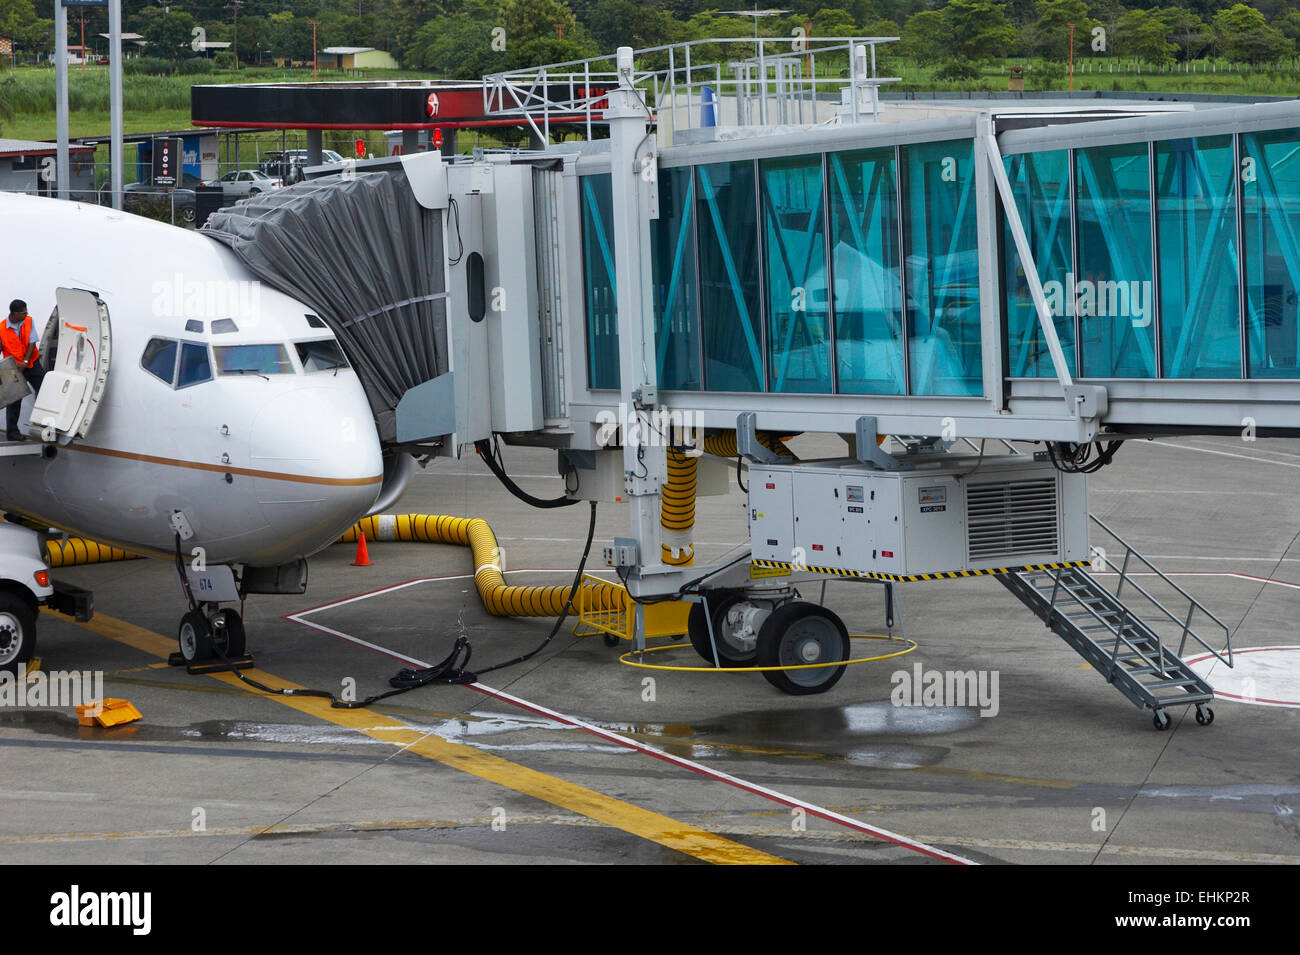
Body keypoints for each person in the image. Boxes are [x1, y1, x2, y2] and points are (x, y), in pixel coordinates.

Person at [2, 300, 46, 442]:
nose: (27, 314)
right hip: (14, 369)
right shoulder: (2, 329)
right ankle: (13, 433)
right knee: (14, 400)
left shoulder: (28, 321)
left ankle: (48, 425)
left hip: (32, 364)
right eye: (24, 312)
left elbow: (32, 342)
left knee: (45, 391)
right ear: (15, 314)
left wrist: (25, 362)